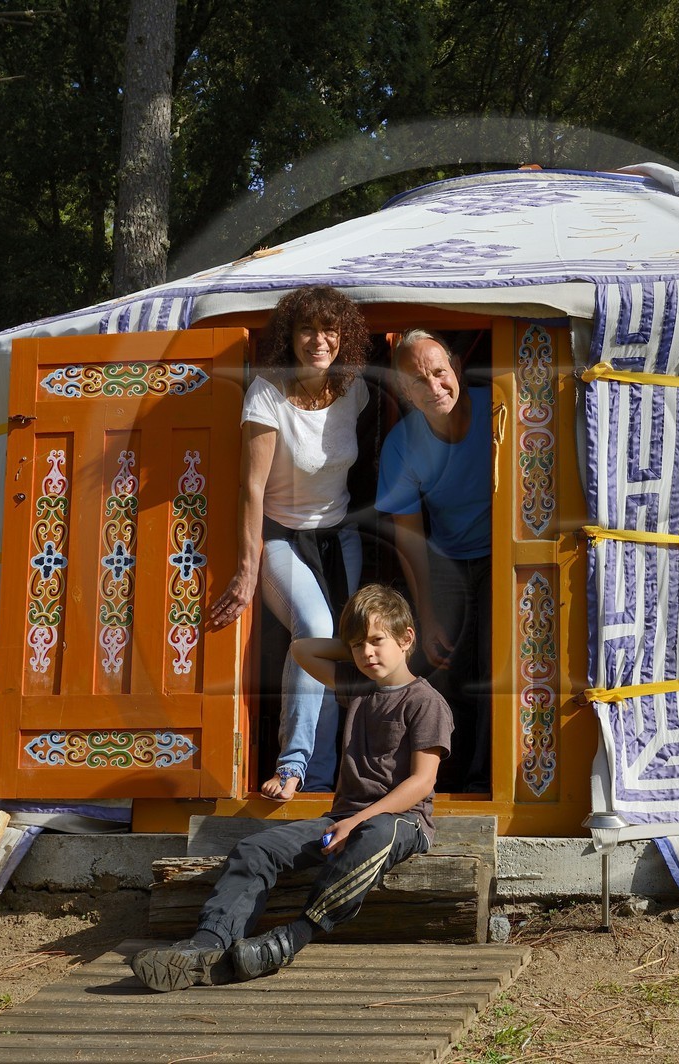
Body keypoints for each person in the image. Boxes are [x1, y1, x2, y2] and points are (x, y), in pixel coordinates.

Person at [130, 585, 452, 990]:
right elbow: (303, 650)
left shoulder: (427, 702)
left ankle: (291, 938)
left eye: (377, 641)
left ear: (407, 639)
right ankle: (207, 945)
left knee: (376, 832)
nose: (367, 653)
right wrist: (354, 641)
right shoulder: (359, 687)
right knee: (256, 848)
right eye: (356, 646)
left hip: (400, 824)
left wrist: (357, 822)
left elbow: (422, 781)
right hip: (343, 820)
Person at [209, 286, 370, 800]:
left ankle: (322, 779)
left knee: (343, 647)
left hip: (339, 534)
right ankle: (294, 764)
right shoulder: (267, 393)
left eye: (329, 329)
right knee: (316, 629)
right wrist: (248, 567)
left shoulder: (355, 389)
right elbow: (250, 488)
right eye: (307, 329)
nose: (319, 340)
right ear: (289, 336)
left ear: (343, 336)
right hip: (282, 534)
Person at [376, 330, 492, 792]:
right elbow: (409, 536)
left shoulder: (502, 412)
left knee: (497, 661)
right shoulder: (401, 446)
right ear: (405, 391)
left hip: (507, 552)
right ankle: (441, 780)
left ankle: (488, 777)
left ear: (456, 369)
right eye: (418, 381)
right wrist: (424, 611)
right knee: (443, 663)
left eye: (440, 372)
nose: (434, 387)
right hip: (447, 560)